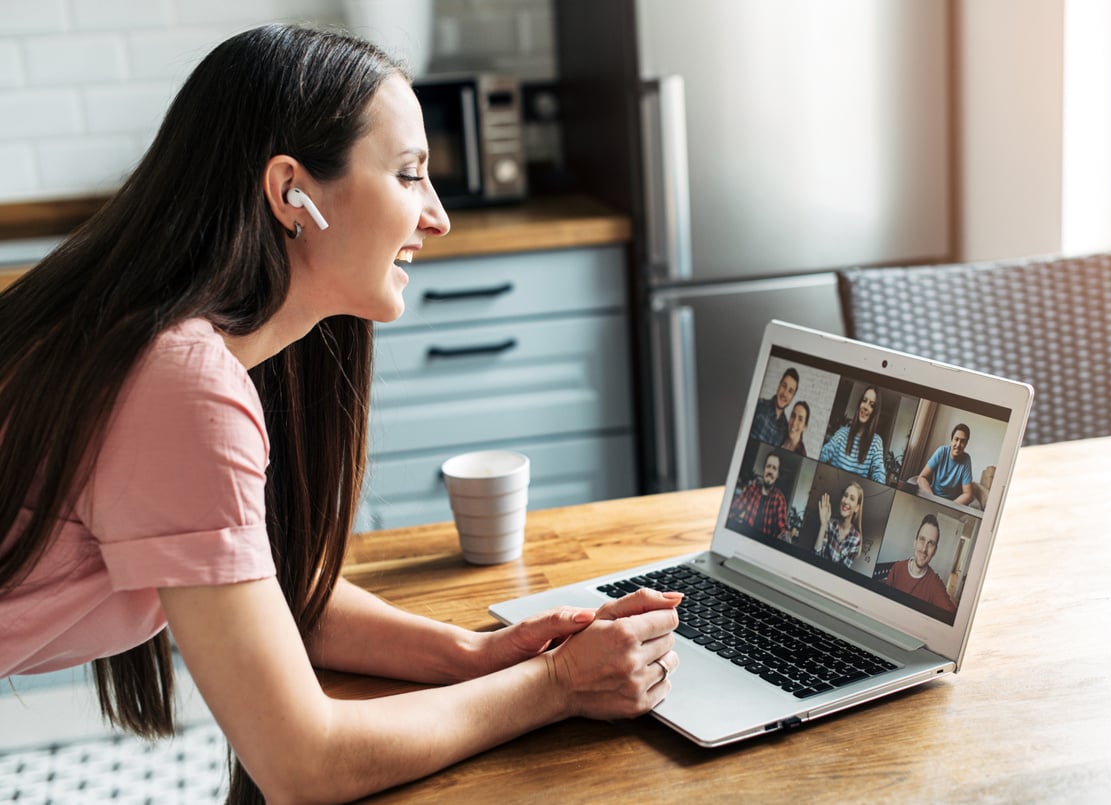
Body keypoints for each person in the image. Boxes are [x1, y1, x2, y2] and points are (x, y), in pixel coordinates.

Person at [0, 25, 681, 804]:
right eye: (408, 175)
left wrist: (475, 654)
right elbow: (303, 763)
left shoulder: (192, 342)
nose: (436, 215)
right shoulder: (179, 385)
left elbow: (280, 592)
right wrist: (557, 686)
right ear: (292, 190)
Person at [883, 515, 957, 613]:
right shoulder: (897, 568)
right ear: (915, 542)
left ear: (935, 551)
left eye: (930, 543)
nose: (924, 549)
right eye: (922, 539)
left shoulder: (935, 584)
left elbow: (952, 617)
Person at [819, 386, 887, 483]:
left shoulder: (876, 442)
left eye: (872, 405)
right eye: (864, 400)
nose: (865, 407)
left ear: (875, 412)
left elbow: (879, 472)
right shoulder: (842, 432)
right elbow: (824, 453)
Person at [728, 452, 789, 539]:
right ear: (764, 469)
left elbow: (782, 529)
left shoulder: (779, 498)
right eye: (768, 466)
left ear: (778, 475)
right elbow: (733, 510)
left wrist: (784, 536)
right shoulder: (751, 490)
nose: (770, 471)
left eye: (774, 468)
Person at [917, 424, 975, 505]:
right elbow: (922, 477)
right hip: (933, 496)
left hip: (951, 502)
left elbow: (968, 494)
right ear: (951, 440)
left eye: (962, 441)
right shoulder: (942, 451)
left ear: (966, 444)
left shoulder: (966, 460)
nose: (958, 444)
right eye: (956, 439)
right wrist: (932, 499)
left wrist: (949, 506)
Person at [813, 481, 864, 568]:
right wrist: (823, 524)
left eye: (852, 499)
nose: (846, 501)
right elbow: (815, 557)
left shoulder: (856, 539)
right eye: (845, 495)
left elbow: (842, 572)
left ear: (857, 508)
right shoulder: (830, 524)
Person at [749, 367, 799, 445]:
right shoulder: (758, 405)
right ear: (779, 385)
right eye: (784, 386)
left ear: (793, 397)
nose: (785, 394)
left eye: (790, 391)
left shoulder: (785, 428)